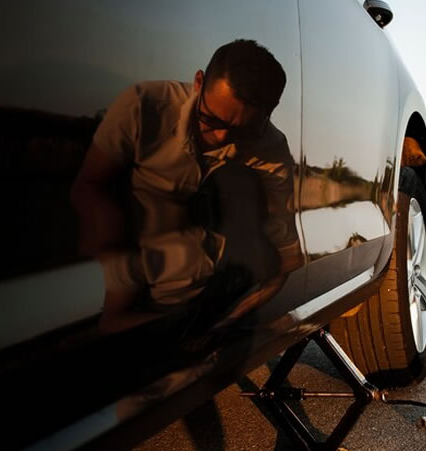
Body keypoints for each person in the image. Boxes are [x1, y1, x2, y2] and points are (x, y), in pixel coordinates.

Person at [71, 39, 302, 335]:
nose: (220, 137)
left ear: (269, 113)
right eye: (210, 119)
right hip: (132, 238)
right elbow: (89, 184)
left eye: (241, 130)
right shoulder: (144, 105)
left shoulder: (270, 146)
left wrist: (228, 323)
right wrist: (116, 257)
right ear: (198, 83)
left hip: (203, 269)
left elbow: (284, 257)